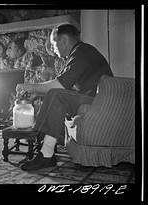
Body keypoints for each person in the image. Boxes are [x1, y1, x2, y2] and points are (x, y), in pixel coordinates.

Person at [16, 24, 113, 171]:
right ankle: (44, 148)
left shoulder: (82, 51)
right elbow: (67, 87)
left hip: (101, 101)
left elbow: (61, 86)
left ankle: (46, 154)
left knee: (56, 94)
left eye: (54, 43)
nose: (53, 48)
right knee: (55, 94)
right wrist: (39, 92)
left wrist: (29, 86)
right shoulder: (79, 52)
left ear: (64, 40)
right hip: (92, 97)